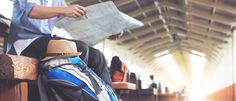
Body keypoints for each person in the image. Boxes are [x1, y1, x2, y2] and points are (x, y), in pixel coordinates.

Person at [4, 0, 114, 100]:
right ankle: (73, 96)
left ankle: (109, 97)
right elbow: (30, 10)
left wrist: (108, 31)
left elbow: (72, 19)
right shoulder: (59, 6)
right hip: (25, 42)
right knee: (80, 48)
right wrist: (63, 10)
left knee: (97, 56)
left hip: (46, 39)